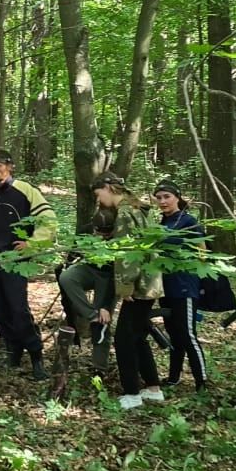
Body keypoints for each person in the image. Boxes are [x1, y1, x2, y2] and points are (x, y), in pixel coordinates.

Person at [0, 150, 56, 381]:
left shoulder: (25, 190)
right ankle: (13, 351)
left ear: (10, 167)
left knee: (18, 309)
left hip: (16, 262)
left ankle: (36, 356)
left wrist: (32, 244)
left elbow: (48, 219)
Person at [92, 173, 165, 410]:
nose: (99, 200)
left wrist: (125, 286)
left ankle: (132, 393)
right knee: (137, 336)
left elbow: (126, 254)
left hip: (139, 285)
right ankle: (153, 389)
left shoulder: (125, 212)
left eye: (99, 194)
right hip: (151, 281)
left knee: (124, 340)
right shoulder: (140, 208)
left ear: (108, 189)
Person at [54, 202, 119, 381]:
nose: (104, 236)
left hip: (109, 278)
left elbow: (117, 275)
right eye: (100, 232)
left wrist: (105, 305)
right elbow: (71, 258)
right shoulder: (85, 231)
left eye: (108, 233)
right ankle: (90, 314)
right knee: (67, 276)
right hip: (89, 269)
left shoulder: (120, 238)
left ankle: (99, 367)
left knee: (102, 322)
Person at [154, 181, 208, 391]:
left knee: (187, 334)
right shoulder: (161, 225)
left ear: (177, 197)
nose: (162, 201)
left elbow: (203, 252)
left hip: (185, 286)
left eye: (166, 196)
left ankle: (201, 382)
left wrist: (194, 275)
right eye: (158, 198)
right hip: (165, 287)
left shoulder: (188, 221)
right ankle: (173, 378)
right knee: (173, 333)